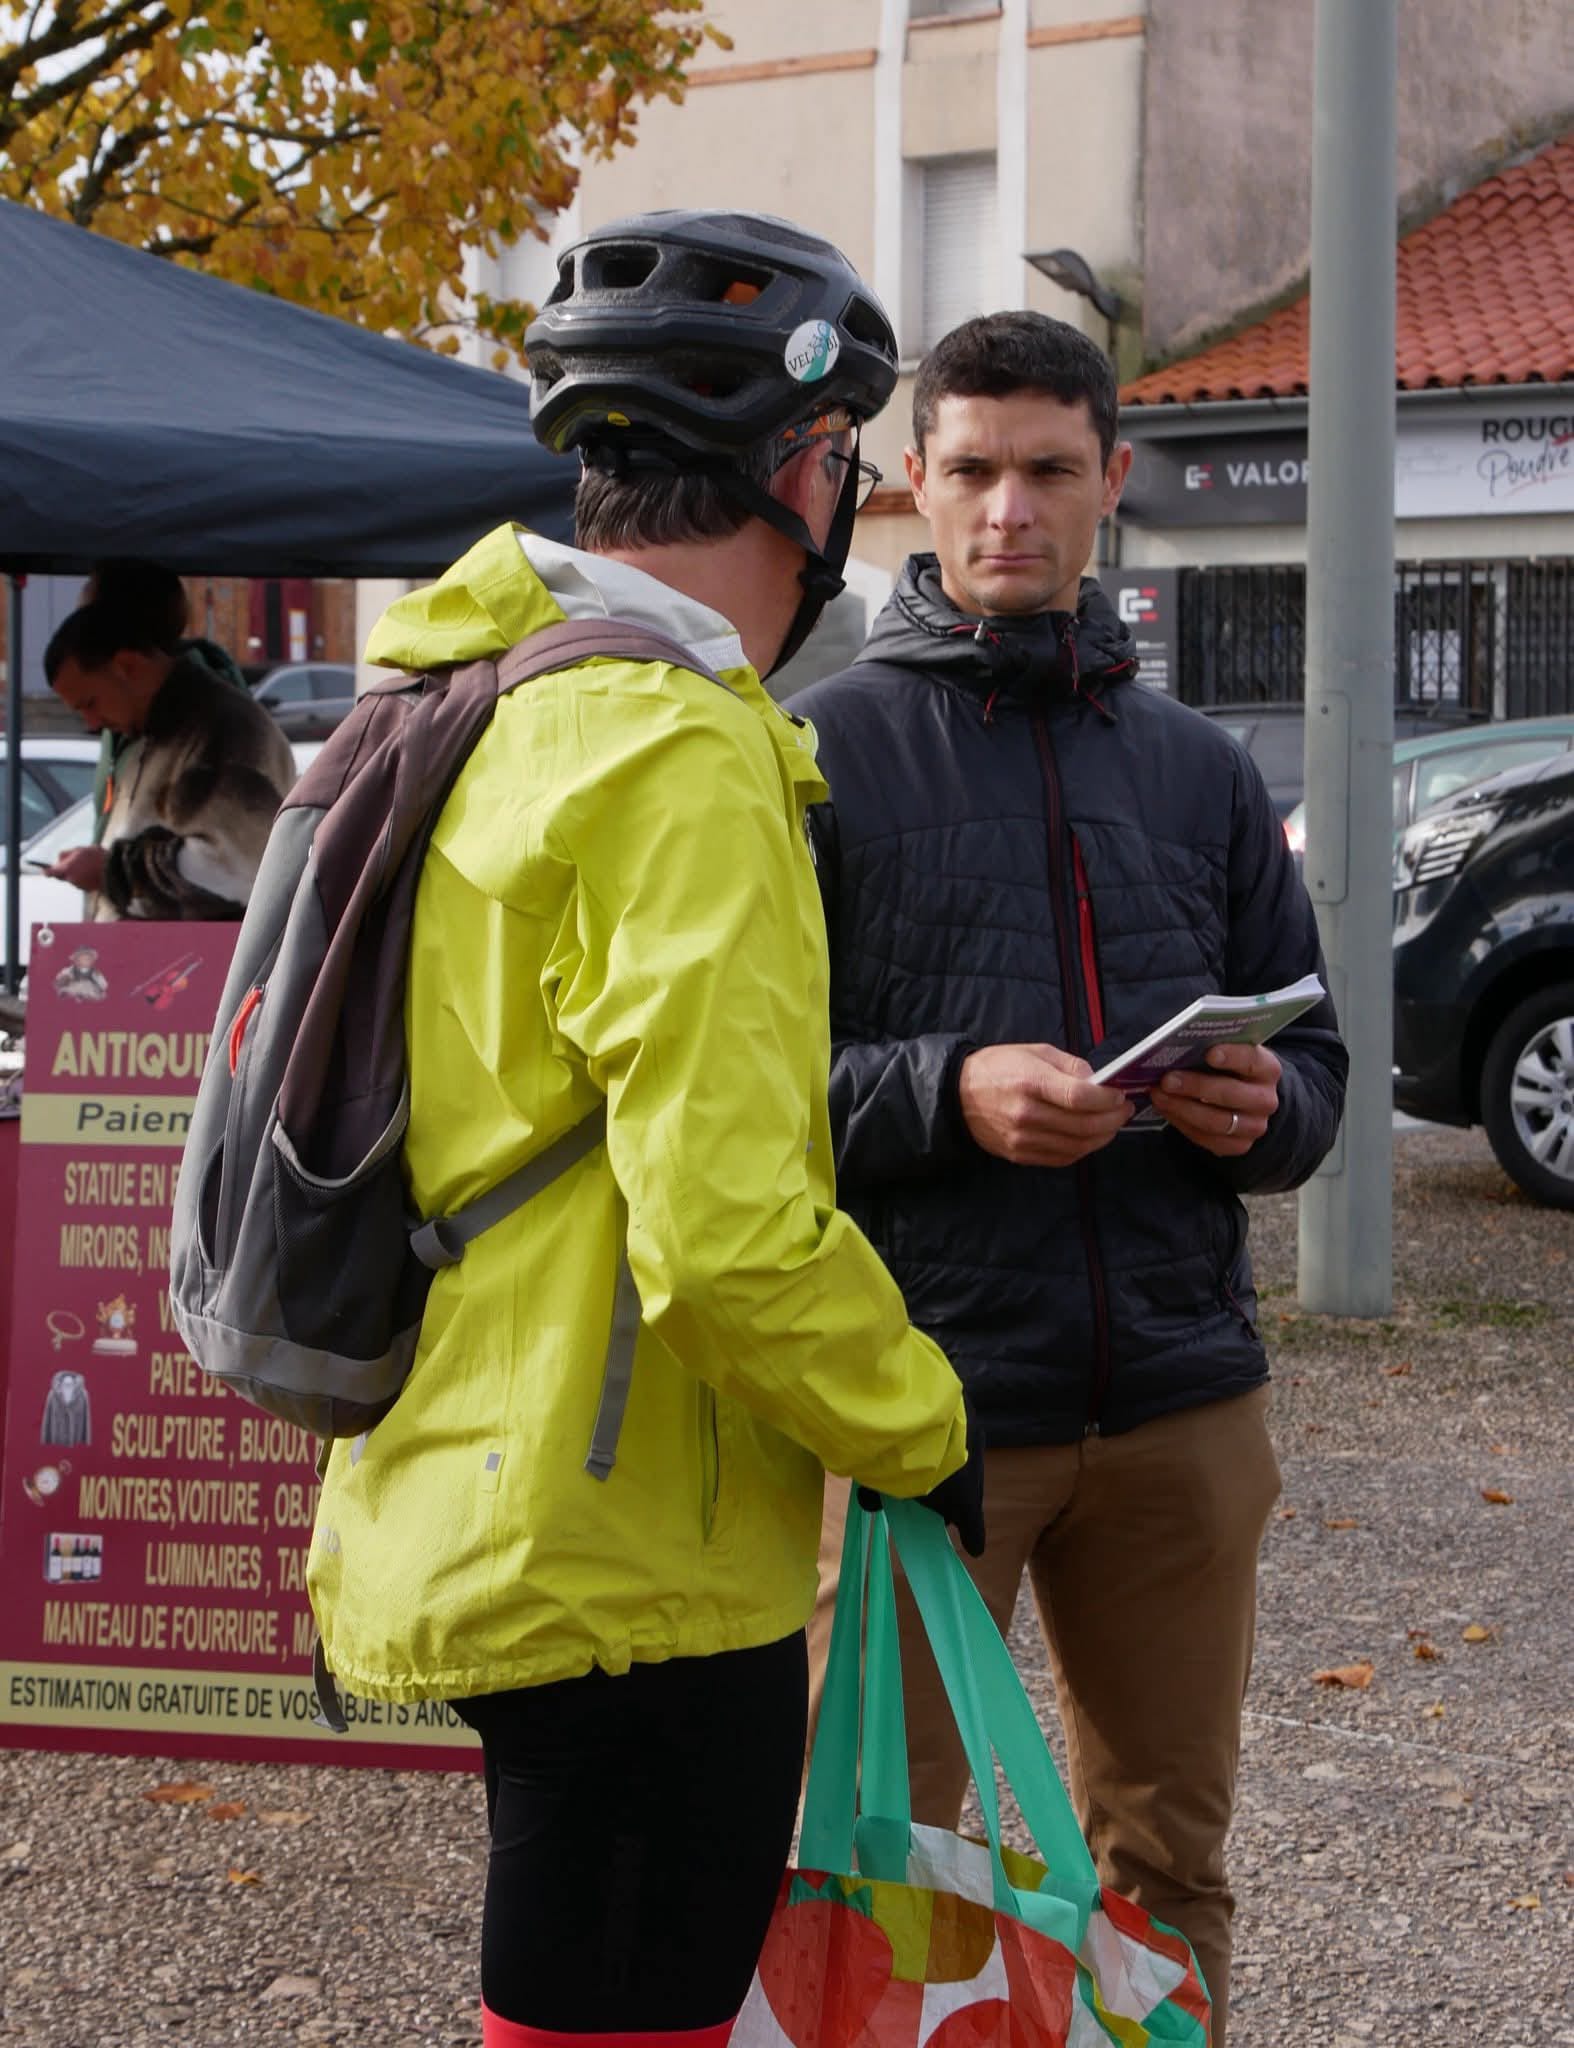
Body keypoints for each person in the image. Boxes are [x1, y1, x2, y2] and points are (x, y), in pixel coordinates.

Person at [304, 210, 984, 2048]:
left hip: (477, 1487)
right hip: (636, 1558)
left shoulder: (474, 698)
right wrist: (919, 1428)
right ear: (803, 465)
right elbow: (729, 1234)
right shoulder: (680, 752)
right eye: (848, 463)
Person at [788, 311, 1348, 2046]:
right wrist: (946, 1089)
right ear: (907, 487)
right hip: (921, 1413)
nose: (1007, 508)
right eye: (969, 468)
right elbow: (740, 1096)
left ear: (1111, 477)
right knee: (883, 1862)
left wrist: (1261, 1108)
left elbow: (1317, 1072)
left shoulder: (1192, 768)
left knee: (1166, 1859)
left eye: (1045, 469)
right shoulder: (813, 757)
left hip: (1180, 1401)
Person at [42, 604, 294, 918]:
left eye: (91, 703)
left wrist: (112, 871)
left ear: (127, 665)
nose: (92, 723)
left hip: (201, 963)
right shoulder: (148, 734)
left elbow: (236, 874)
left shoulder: (222, 729)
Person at [79, 559, 249, 849]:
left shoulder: (211, 725)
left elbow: (225, 860)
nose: (91, 721)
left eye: (86, 626)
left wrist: (107, 871)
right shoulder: (127, 719)